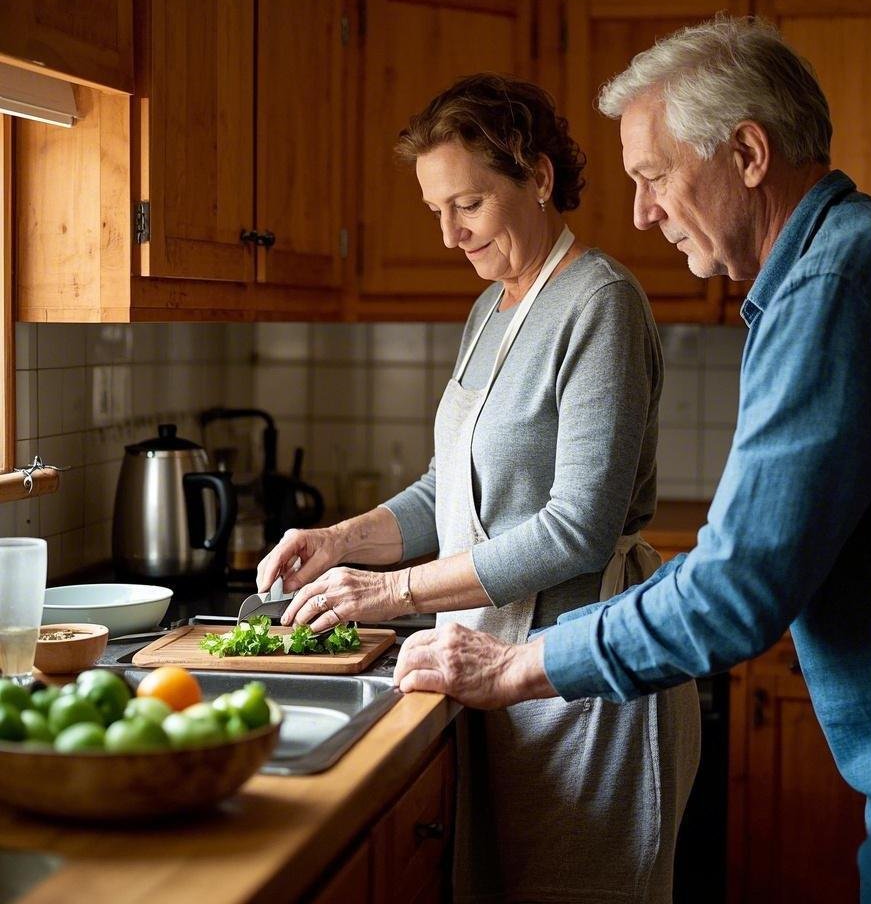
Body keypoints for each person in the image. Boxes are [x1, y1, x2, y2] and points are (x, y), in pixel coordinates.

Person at [393, 19, 871, 903]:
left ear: (748, 154)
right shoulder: (854, 261)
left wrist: (512, 669)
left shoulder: (834, 287)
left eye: (655, 177)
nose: (644, 211)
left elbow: (737, 588)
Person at [256, 74, 701, 903]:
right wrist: (340, 544)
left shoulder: (598, 303)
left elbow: (576, 527)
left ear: (535, 176)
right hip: (485, 664)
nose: (451, 235)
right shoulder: (491, 307)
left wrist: (390, 590)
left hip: (581, 684)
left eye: (467, 204)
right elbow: (443, 492)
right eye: (436, 211)